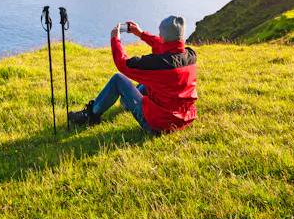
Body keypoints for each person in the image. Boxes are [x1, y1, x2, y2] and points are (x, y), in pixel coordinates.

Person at [68, 16, 198, 135]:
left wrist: (115, 39)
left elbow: (123, 64)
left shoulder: (158, 64)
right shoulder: (190, 56)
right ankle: (126, 103)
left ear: (163, 37)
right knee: (147, 82)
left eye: (160, 33)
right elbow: (167, 47)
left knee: (117, 80)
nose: (159, 35)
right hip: (183, 119)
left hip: (158, 125)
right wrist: (141, 34)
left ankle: (90, 114)